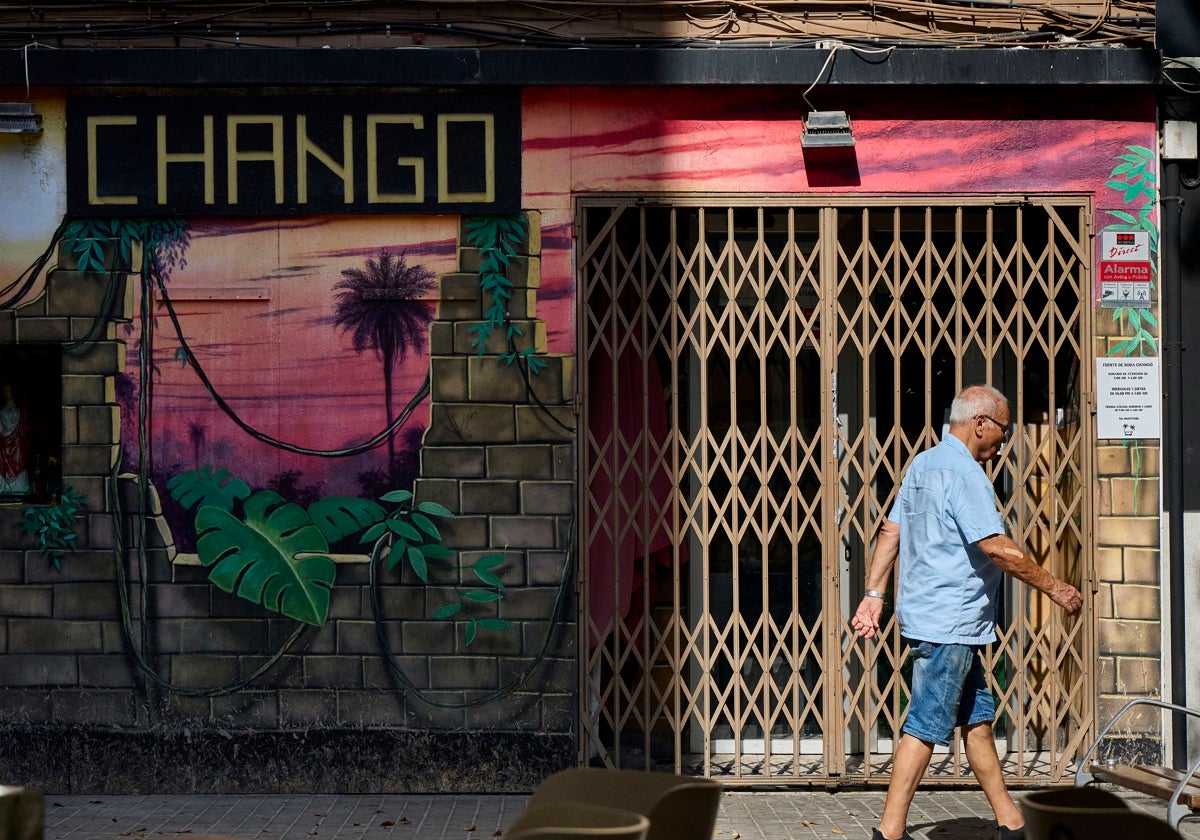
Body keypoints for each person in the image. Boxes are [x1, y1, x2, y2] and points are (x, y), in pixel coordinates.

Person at [850, 384, 1083, 840]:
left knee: (976, 720)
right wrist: (1055, 588)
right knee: (924, 724)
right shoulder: (965, 474)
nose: (1002, 442)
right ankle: (889, 832)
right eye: (1003, 430)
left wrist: (873, 595)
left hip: (934, 617)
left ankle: (1011, 823)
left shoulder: (923, 463)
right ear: (980, 424)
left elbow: (891, 530)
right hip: (950, 622)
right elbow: (995, 546)